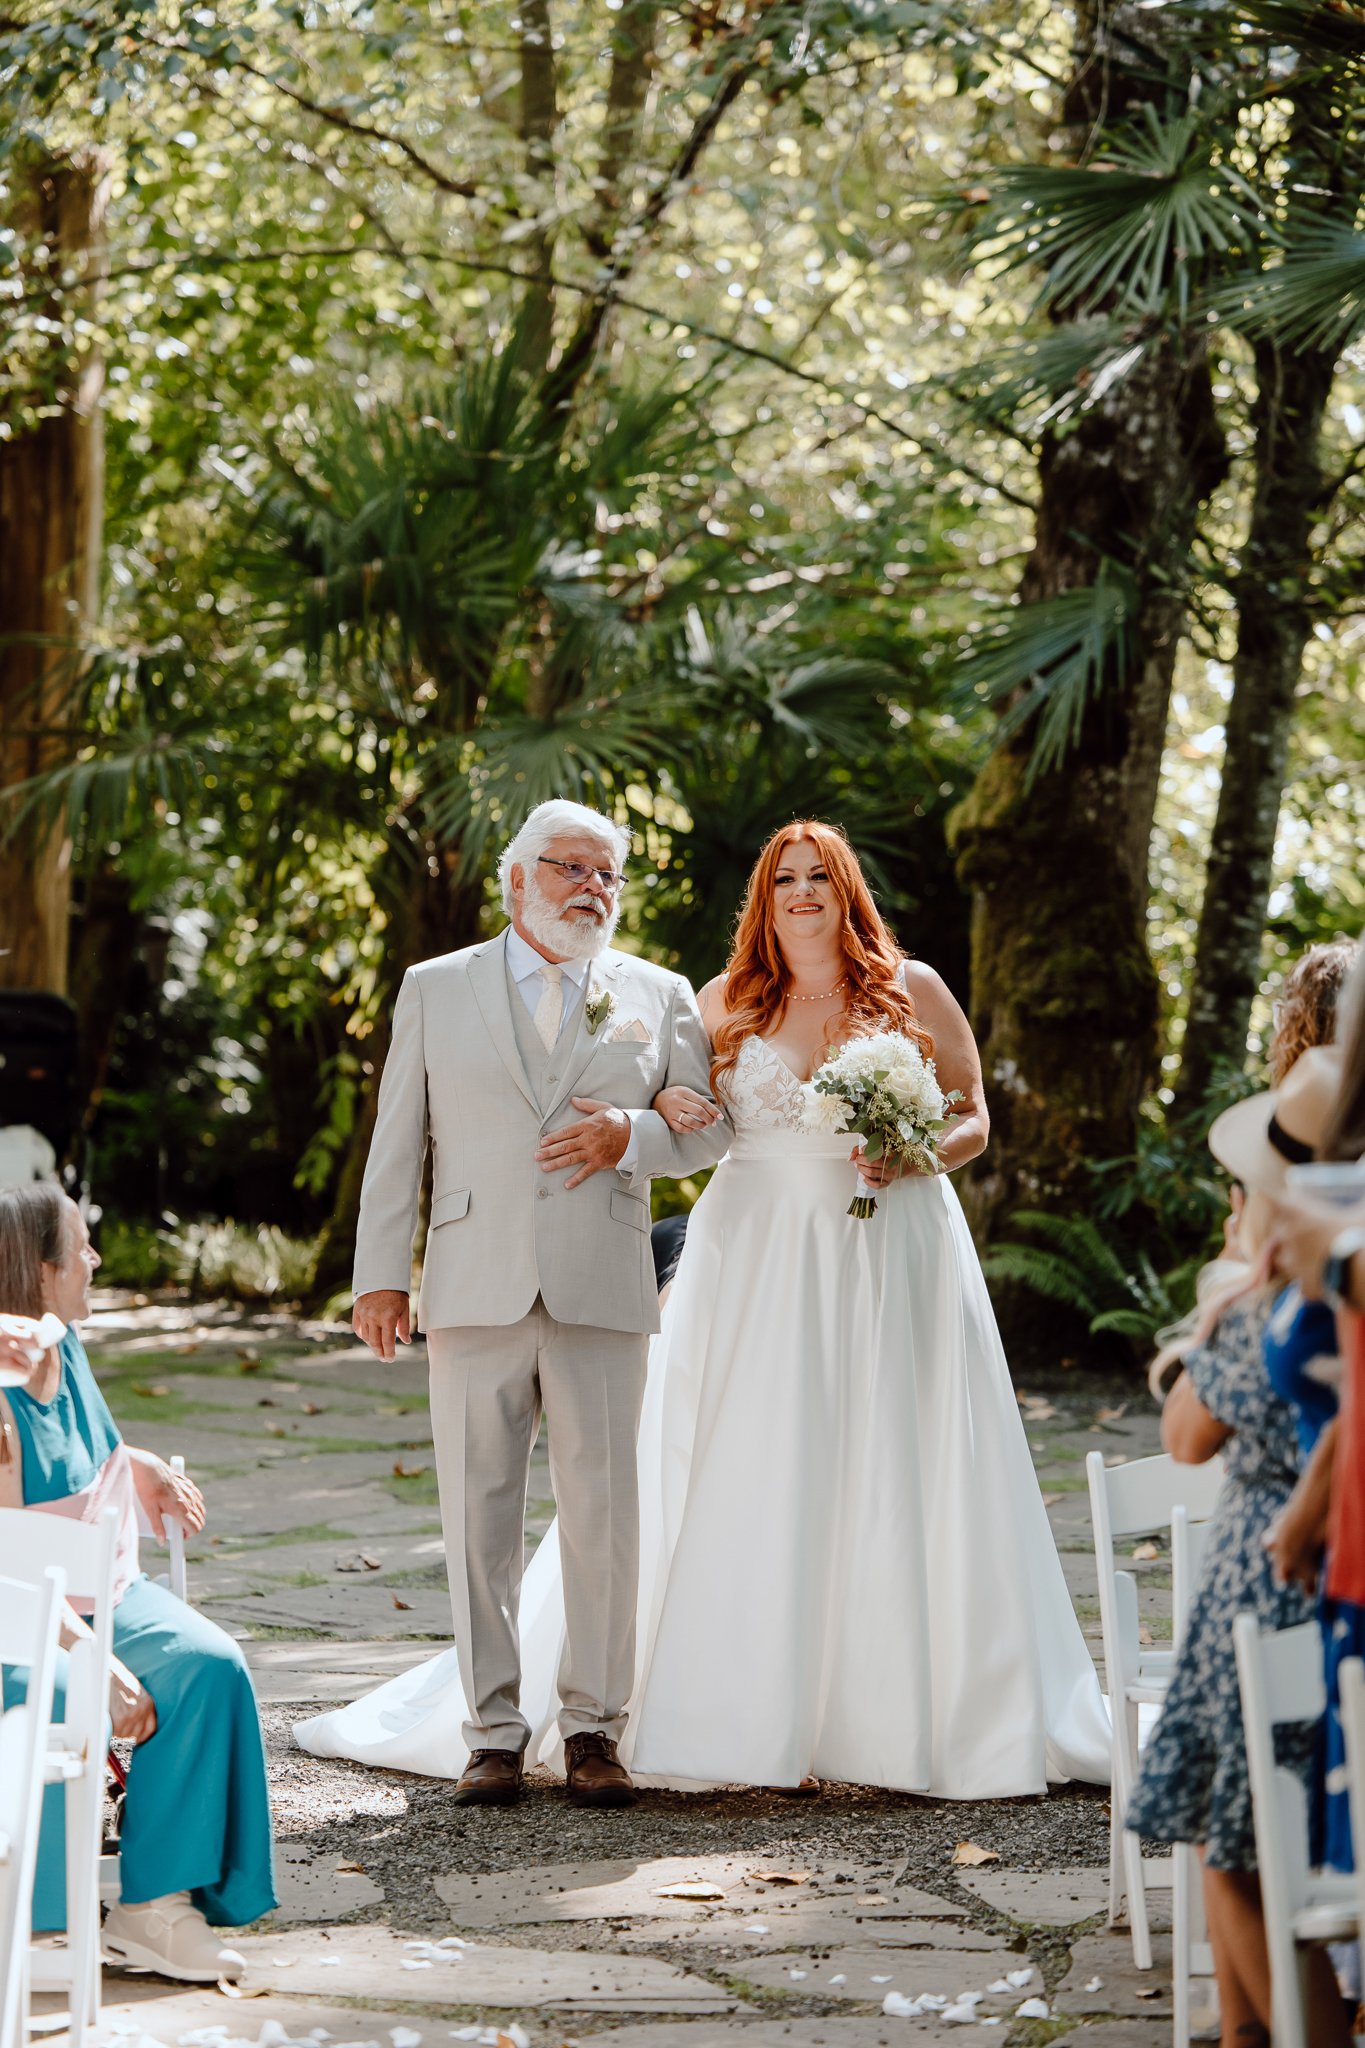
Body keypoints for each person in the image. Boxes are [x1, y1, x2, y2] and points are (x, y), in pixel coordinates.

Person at [299, 818, 1109, 1795]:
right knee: (721, 1462)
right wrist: (383, 1271)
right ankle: (509, 1727)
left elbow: (964, 1112)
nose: (803, 892)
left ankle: (804, 1712)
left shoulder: (881, 987)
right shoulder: (719, 998)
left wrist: (910, 1152)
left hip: (886, 1250)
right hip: (747, 1255)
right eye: (785, 878)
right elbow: (691, 1121)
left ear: (849, 889)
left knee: (879, 1457)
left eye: (821, 876)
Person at [336, 799, 729, 1808]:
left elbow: (706, 1129)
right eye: (571, 867)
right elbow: (398, 1137)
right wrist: (380, 1273)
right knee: (478, 1514)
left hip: (603, 1278)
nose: (592, 887)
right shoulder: (435, 986)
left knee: (606, 1516)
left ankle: (595, 1727)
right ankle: (492, 1734)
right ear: (517, 879)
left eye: (607, 873)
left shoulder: (659, 993)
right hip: (475, 1277)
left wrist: (633, 1133)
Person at [1128, 1058, 1353, 2048]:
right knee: (1268, 1837)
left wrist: (1226, 1290)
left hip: (1262, 1576)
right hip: (1312, 1572)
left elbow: (1185, 1436)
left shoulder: (1280, 1306)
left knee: (1237, 1844)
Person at [0, 1184, 276, 1981]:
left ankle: (153, 1907)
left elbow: (91, 1449)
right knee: (61, 1695)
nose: (94, 1258)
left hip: (108, 1595)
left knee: (209, 1666)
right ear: (40, 1270)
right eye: (80, 1247)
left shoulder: (66, 1346)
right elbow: (9, 1567)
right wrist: (93, 1660)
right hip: (23, 1621)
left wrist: (141, 1466)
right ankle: (31, 1919)